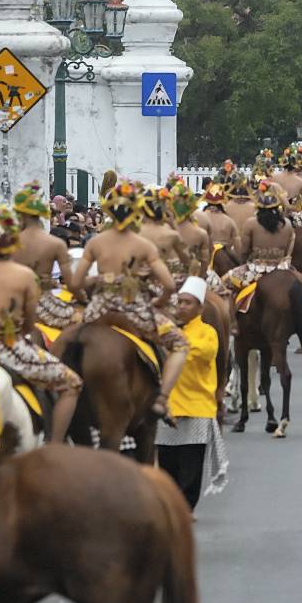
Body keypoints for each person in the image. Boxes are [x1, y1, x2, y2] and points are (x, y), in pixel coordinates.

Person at [0, 205, 83, 444]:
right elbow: (29, 324)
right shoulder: (25, 276)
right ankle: (55, 444)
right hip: (11, 348)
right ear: (13, 243)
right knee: (71, 384)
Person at [75, 179, 189, 422]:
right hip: (133, 307)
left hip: (98, 308)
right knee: (180, 344)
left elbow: (74, 284)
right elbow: (169, 285)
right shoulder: (144, 245)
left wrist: (88, 295)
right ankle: (161, 399)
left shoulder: (96, 242)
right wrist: (159, 302)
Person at [156, 276, 228, 513]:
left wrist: (172, 342)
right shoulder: (165, 328)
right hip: (168, 407)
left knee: (191, 467)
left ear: (200, 308)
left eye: (188, 303)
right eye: (179, 302)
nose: (182, 307)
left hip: (197, 407)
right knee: (167, 464)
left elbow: (203, 352)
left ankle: (186, 509)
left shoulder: (207, 332)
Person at [10, 180, 79, 329]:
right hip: (44, 305)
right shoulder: (55, 244)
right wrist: (83, 298)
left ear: (19, 214)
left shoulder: (10, 243)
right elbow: (72, 284)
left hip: (14, 306)